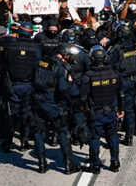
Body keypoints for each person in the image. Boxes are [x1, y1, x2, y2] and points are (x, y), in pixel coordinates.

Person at [32, 44, 80, 174]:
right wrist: (70, 82)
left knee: (39, 133)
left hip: (37, 102)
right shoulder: (61, 67)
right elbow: (63, 89)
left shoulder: (41, 61)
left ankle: (42, 164)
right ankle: (69, 165)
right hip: (53, 104)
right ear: (63, 54)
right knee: (63, 133)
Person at [81, 46, 122, 173]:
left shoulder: (88, 77)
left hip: (95, 113)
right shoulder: (114, 74)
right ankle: (115, 162)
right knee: (113, 137)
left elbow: (83, 97)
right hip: (111, 112)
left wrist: (83, 109)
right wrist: (121, 109)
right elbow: (121, 94)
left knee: (94, 138)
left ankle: (96, 164)